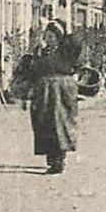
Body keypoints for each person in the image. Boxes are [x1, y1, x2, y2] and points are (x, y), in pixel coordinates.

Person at [29, 21, 82, 174]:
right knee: (44, 123)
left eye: (52, 36)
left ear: (59, 37)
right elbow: (33, 69)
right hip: (44, 91)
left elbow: (76, 47)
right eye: (47, 35)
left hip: (62, 91)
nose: (48, 38)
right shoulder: (41, 52)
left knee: (61, 123)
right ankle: (52, 159)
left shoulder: (66, 52)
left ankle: (60, 159)